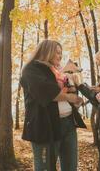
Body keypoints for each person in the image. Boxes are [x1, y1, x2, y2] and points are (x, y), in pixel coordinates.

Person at [20, 40, 84, 171]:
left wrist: (75, 96)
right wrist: (69, 97)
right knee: (45, 167)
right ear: (46, 51)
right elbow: (48, 91)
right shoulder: (31, 69)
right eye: (57, 52)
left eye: (61, 53)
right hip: (45, 126)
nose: (60, 56)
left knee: (71, 166)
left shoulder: (59, 72)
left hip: (68, 124)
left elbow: (68, 90)